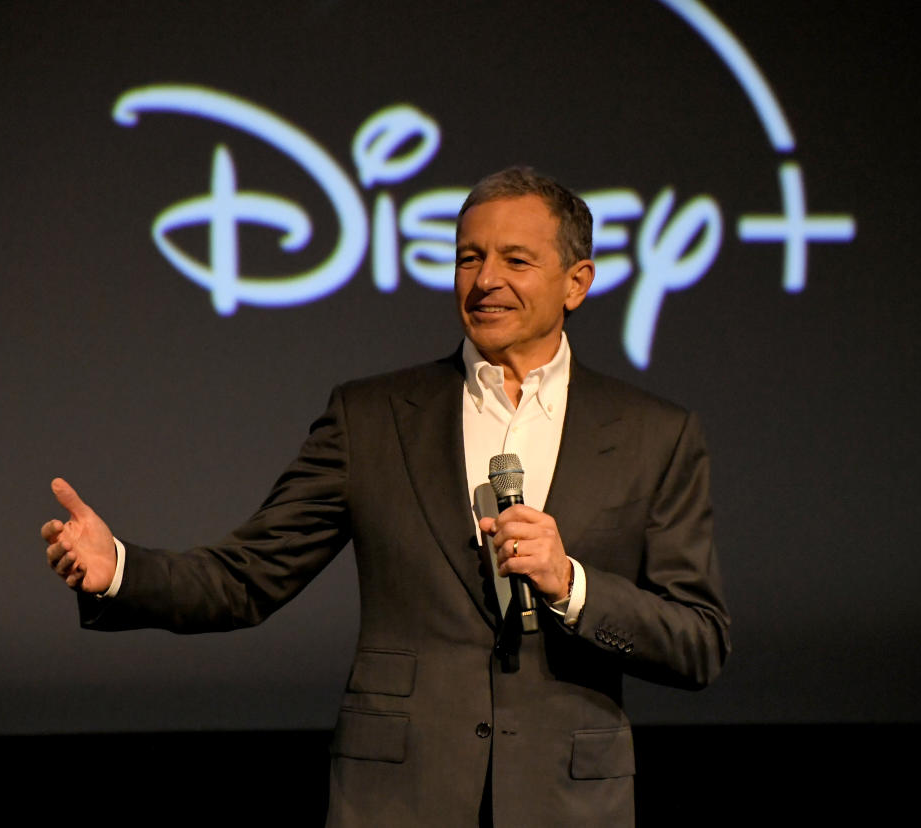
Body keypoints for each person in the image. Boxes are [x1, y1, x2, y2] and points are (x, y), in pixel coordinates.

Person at [42, 166, 730, 826]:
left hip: (569, 803)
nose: (486, 280)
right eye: (469, 258)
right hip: (400, 799)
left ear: (576, 283)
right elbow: (247, 577)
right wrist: (120, 570)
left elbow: (698, 641)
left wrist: (572, 585)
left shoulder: (653, 434)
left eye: (516, 261)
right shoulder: (371, 417)